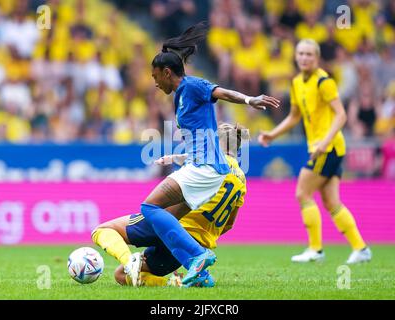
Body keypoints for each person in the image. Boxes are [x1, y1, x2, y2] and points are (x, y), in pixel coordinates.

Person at [129, 21, 279, 287]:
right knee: (160, 210)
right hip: (200, 165)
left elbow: (222, 92)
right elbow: (199, 138)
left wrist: (249, 100)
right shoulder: (179, 97)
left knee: (149, 207)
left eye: (154, 77)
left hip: (207, 168)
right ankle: (200, 275)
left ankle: (197, 256)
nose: (153, 83)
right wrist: (176, 158)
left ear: (166, 72)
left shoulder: (193, 85)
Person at [92, 123, 249, 287]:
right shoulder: (241, 180)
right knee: (121, 275)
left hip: (171, 226)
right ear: (237, 149)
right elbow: (228, 225)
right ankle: (176, 283)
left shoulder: (209, 166)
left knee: (102, 230)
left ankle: (129, 260)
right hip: (192, 245)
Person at [258, 39, 372, 264]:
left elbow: (341, 115)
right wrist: (273, 134)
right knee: (331, 202)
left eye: (309, 54)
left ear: (317, 58)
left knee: (302, 192)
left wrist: (324, 142)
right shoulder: (297, 82)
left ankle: (315, 249)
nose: (304, 58)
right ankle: (361, 248)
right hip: (324, 147)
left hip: (328, 147)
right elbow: (294, 116)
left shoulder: (324, 81)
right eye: (300, 53)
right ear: (296, 56)